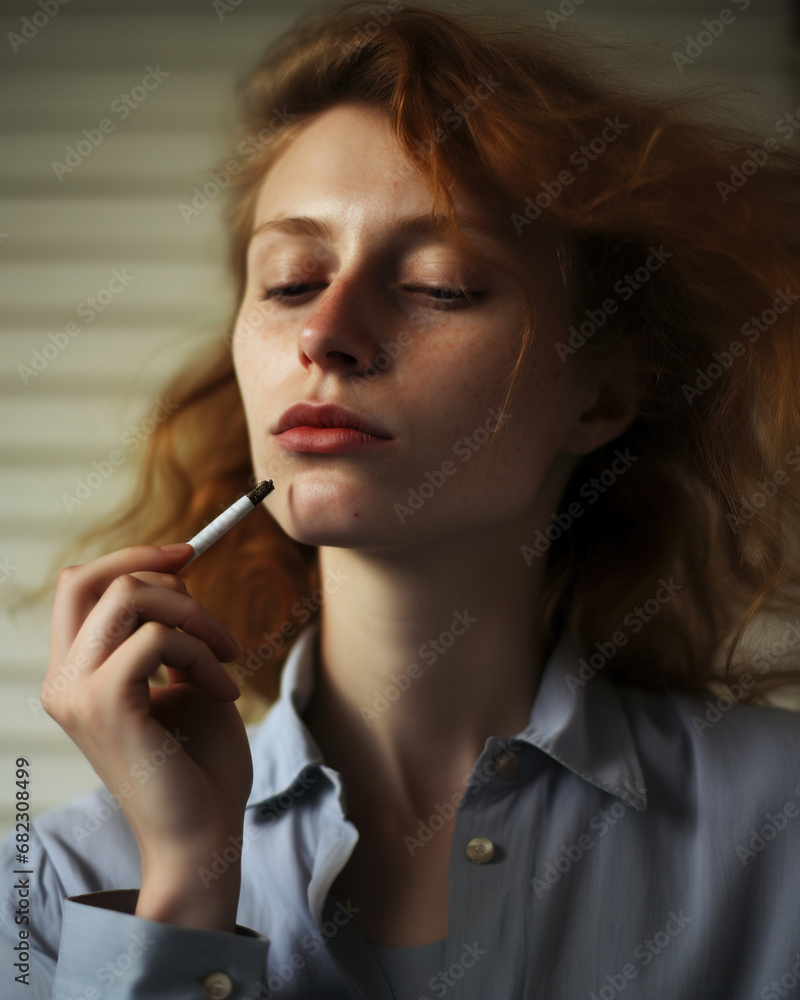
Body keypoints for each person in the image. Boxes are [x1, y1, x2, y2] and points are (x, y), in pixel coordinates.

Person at [3, 1, 800, 997]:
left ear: (599, 391)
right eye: (291, 280)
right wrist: (182, 898)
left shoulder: (781, 832)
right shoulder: (53, 891)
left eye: (436, 282)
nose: (325, 335)